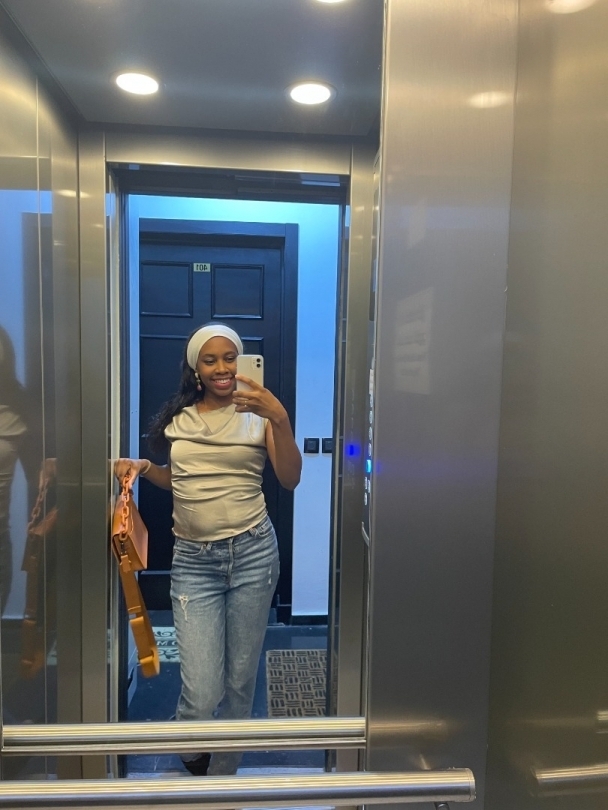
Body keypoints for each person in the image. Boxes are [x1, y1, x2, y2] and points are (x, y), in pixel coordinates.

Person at [115, 322, 301, 776]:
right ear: (196, 369)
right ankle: (190, 733)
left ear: (241, 362)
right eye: (210, 360)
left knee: (239, 681)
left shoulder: (260, 415)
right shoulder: (179, 420)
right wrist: (146, 468)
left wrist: (280, 418)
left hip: (253, 555)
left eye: (230, 358)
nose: (222, 368)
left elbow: (290, 478)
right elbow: (180, 479)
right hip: (193, 562)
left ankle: (223, 776)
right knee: (201, 689)